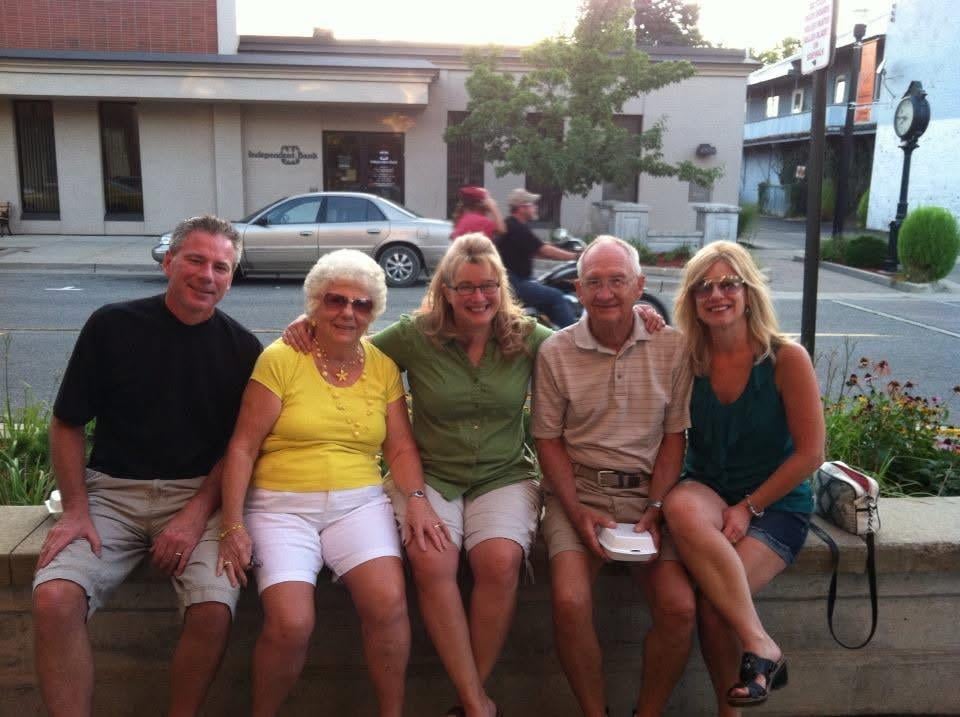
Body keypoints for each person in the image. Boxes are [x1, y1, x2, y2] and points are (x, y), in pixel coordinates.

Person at [32, 215, 262, 717]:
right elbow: (67, 422)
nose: (207, 275)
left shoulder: (243, 348)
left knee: (213, 608)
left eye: (220, 267)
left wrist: (197, 513)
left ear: (231, 277)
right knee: (54, 599)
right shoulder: (112, 325)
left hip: (197, 496)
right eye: (195, 260)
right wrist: (76, 509)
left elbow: (239, 446)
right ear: (168, 263)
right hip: (110, 494)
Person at [216, 249, 445, 717]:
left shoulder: (382, 365)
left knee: (389, 605)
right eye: (335, 300)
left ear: (374, 312)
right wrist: (232, 524)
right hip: (280, 507)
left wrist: (417, 498)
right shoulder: (281, 358)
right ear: (313, 305)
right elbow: (242, 446)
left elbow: (399, 448)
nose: (348, 312)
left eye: (362, 305)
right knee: (291, 623)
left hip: (358, 504)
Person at [532, 235, 695, 717]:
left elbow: (674, 436)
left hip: (651, 494)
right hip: (578, 490)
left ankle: (647, 712)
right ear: (578, 291)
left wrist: (658, 507)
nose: (605, 293)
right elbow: (548, 440)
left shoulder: (672, 346)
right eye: (594, 282)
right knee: (569, 601)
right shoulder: (556, 353)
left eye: (618, 281)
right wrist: (577, 508)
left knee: (680, 609)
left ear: (640, 286)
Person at [662, 240, 824, 712]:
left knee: (716, 607)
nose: (717, 295)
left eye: (728, 283)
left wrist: (748, 506)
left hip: (776, 504)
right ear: (692, 301)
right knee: (678, 504)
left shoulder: (785, 359)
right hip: (708, 489)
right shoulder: (689, 359)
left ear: (748, 292)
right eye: (703, 287)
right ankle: (764, 646)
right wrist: (647, 317)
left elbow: (811, 453)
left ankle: (734, 698)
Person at [496, 188, 579, 328]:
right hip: (515, 283)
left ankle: (553, 333)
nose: (536, 207)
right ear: (522, 207)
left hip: (515, 280)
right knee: (556, 297)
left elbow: (536, 247)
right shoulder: (516, 227)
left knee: (553, 287)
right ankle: (573, 338)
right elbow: (543, 250)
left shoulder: (514, 225)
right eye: (532, 204)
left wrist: (561, 246)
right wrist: (576, 256)